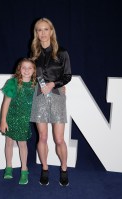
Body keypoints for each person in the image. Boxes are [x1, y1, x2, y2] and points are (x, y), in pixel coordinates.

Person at [30, 18, 72, 187]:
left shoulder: (62, 53)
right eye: (39, 30)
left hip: (56, 94)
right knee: (43, 136)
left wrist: (53, 84)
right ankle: (45, 169)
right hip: (39, 96)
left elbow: (67, 76)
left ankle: (63, 169)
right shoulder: (34, 53)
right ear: (36, 33)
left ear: (51, 31)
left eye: (46, 29)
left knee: (59, 139)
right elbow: (32, 75)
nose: (43, 33)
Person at [0, 58, 36, 185]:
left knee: (22, 145)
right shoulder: (12, 83)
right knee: (9, 143)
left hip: (24, 121)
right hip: (11, 118)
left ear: (34, 70)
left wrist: (60, 89)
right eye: (24, 67)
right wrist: (3, 120)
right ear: (19, 69)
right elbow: (6, 103)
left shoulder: (35, 84)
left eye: (29, 68)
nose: (26, 70)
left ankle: (24, 170)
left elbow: (48, 93)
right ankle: (8, 167)